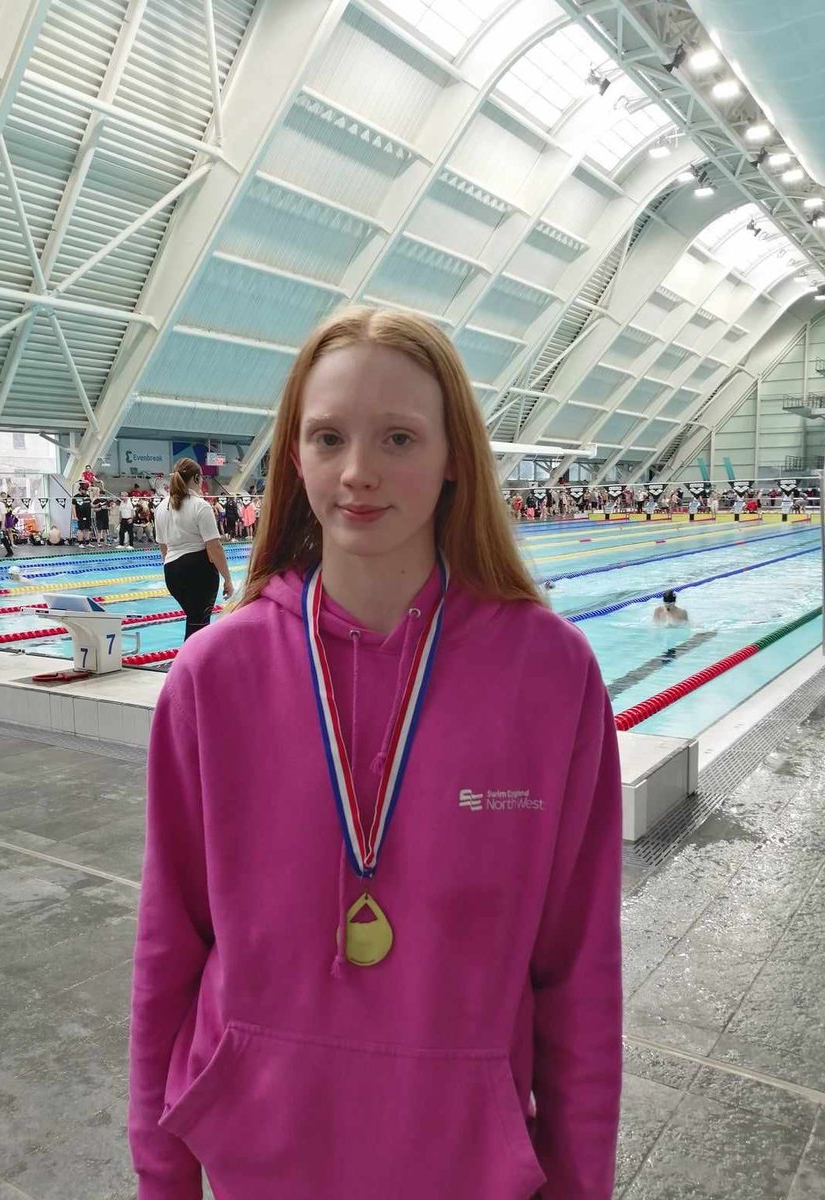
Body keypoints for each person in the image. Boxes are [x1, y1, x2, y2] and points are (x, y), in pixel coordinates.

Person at [128, 307, 623, 1200]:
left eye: (398, 437)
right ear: (295, 456)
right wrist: (162, 1177)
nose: (358, 473)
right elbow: (169, 946)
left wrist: (581, 1184)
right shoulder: (213, 675)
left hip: (465, 1166)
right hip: (259, 1160)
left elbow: (579, 967)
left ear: (453, 459)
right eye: (328, 437)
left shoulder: (552, 677)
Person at [154, 457, 233, 640]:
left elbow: (163, 547)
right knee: (199, 624)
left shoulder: (160, 507)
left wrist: (172, 568)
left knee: (194, 620)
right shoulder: (201, 506)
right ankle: (191, 666)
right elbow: (214, 547)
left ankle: (193, 665)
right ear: (197, 478)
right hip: (198, 570)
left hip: (171, 572)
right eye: (202, 478)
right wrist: (227, 579)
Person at [72, 482, 93, 547]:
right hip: (80, 515)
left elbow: (91, 505)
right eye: (84, 490)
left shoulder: (87, 496)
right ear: (80, 489)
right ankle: (80, 543)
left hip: (88, 515)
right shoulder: (75, 497)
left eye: (86, 490)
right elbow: (73, 507)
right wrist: (75, 516)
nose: (85, 492)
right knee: (80, 529)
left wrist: (97, 505)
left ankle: (87, 543)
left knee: (87, 529)